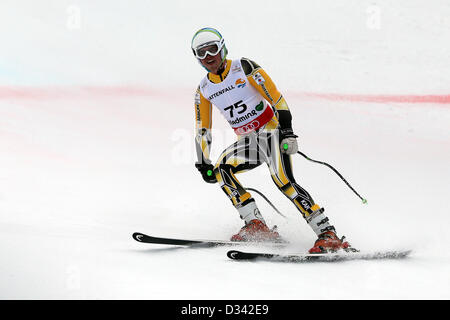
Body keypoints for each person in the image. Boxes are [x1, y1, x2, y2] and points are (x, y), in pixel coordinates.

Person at [192, 27, 351, 253]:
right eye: (202, 54)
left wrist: (287, 131)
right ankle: (255, 224)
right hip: (249, 142)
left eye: (213, 50)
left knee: (283, 181)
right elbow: (202, 129)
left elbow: (277, 98)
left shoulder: (244, 67)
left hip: (272, 133)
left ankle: (328, 233)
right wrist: (202, 161)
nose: (209, 57)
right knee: (222, 169)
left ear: (223, 48)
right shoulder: (204, 90)